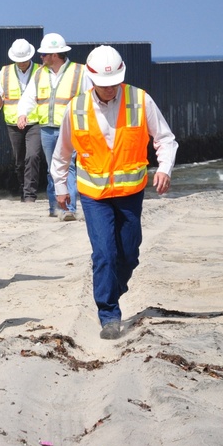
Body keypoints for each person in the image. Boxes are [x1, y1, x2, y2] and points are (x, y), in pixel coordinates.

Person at [51, 46, 177, 340]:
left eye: (114, 83)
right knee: (105, 253)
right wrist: (60, 187)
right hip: (94, 195)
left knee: (129, 253)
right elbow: (62, 154)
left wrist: (164, 169)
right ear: (92, 80)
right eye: (104, 85)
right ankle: (109, 314)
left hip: (130, 191)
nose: (110, 89)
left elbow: (165, 139)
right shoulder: (76, 108)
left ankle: (112, 289)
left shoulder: (141, 100)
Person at [16, 33, 94, 221]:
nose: (41, 58)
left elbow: (91, 98)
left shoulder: (79, 72)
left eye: (44, 55)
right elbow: (29, 97)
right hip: (47, 129)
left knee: (68, 168)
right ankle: (54, 207)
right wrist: (22, 113)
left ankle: (68, 208)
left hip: (70, 129)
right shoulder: (39, 74)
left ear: (55, 55)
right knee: (53, 169)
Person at [0, 39, 41, 202]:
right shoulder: (5, 72)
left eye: (24, 61)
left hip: (35, 121)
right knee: (20, 160)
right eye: (18, 61)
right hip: (13, 123)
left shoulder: (40, 71)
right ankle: (23, 189)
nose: (21, 64)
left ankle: (30, 194)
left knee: (32, 156)